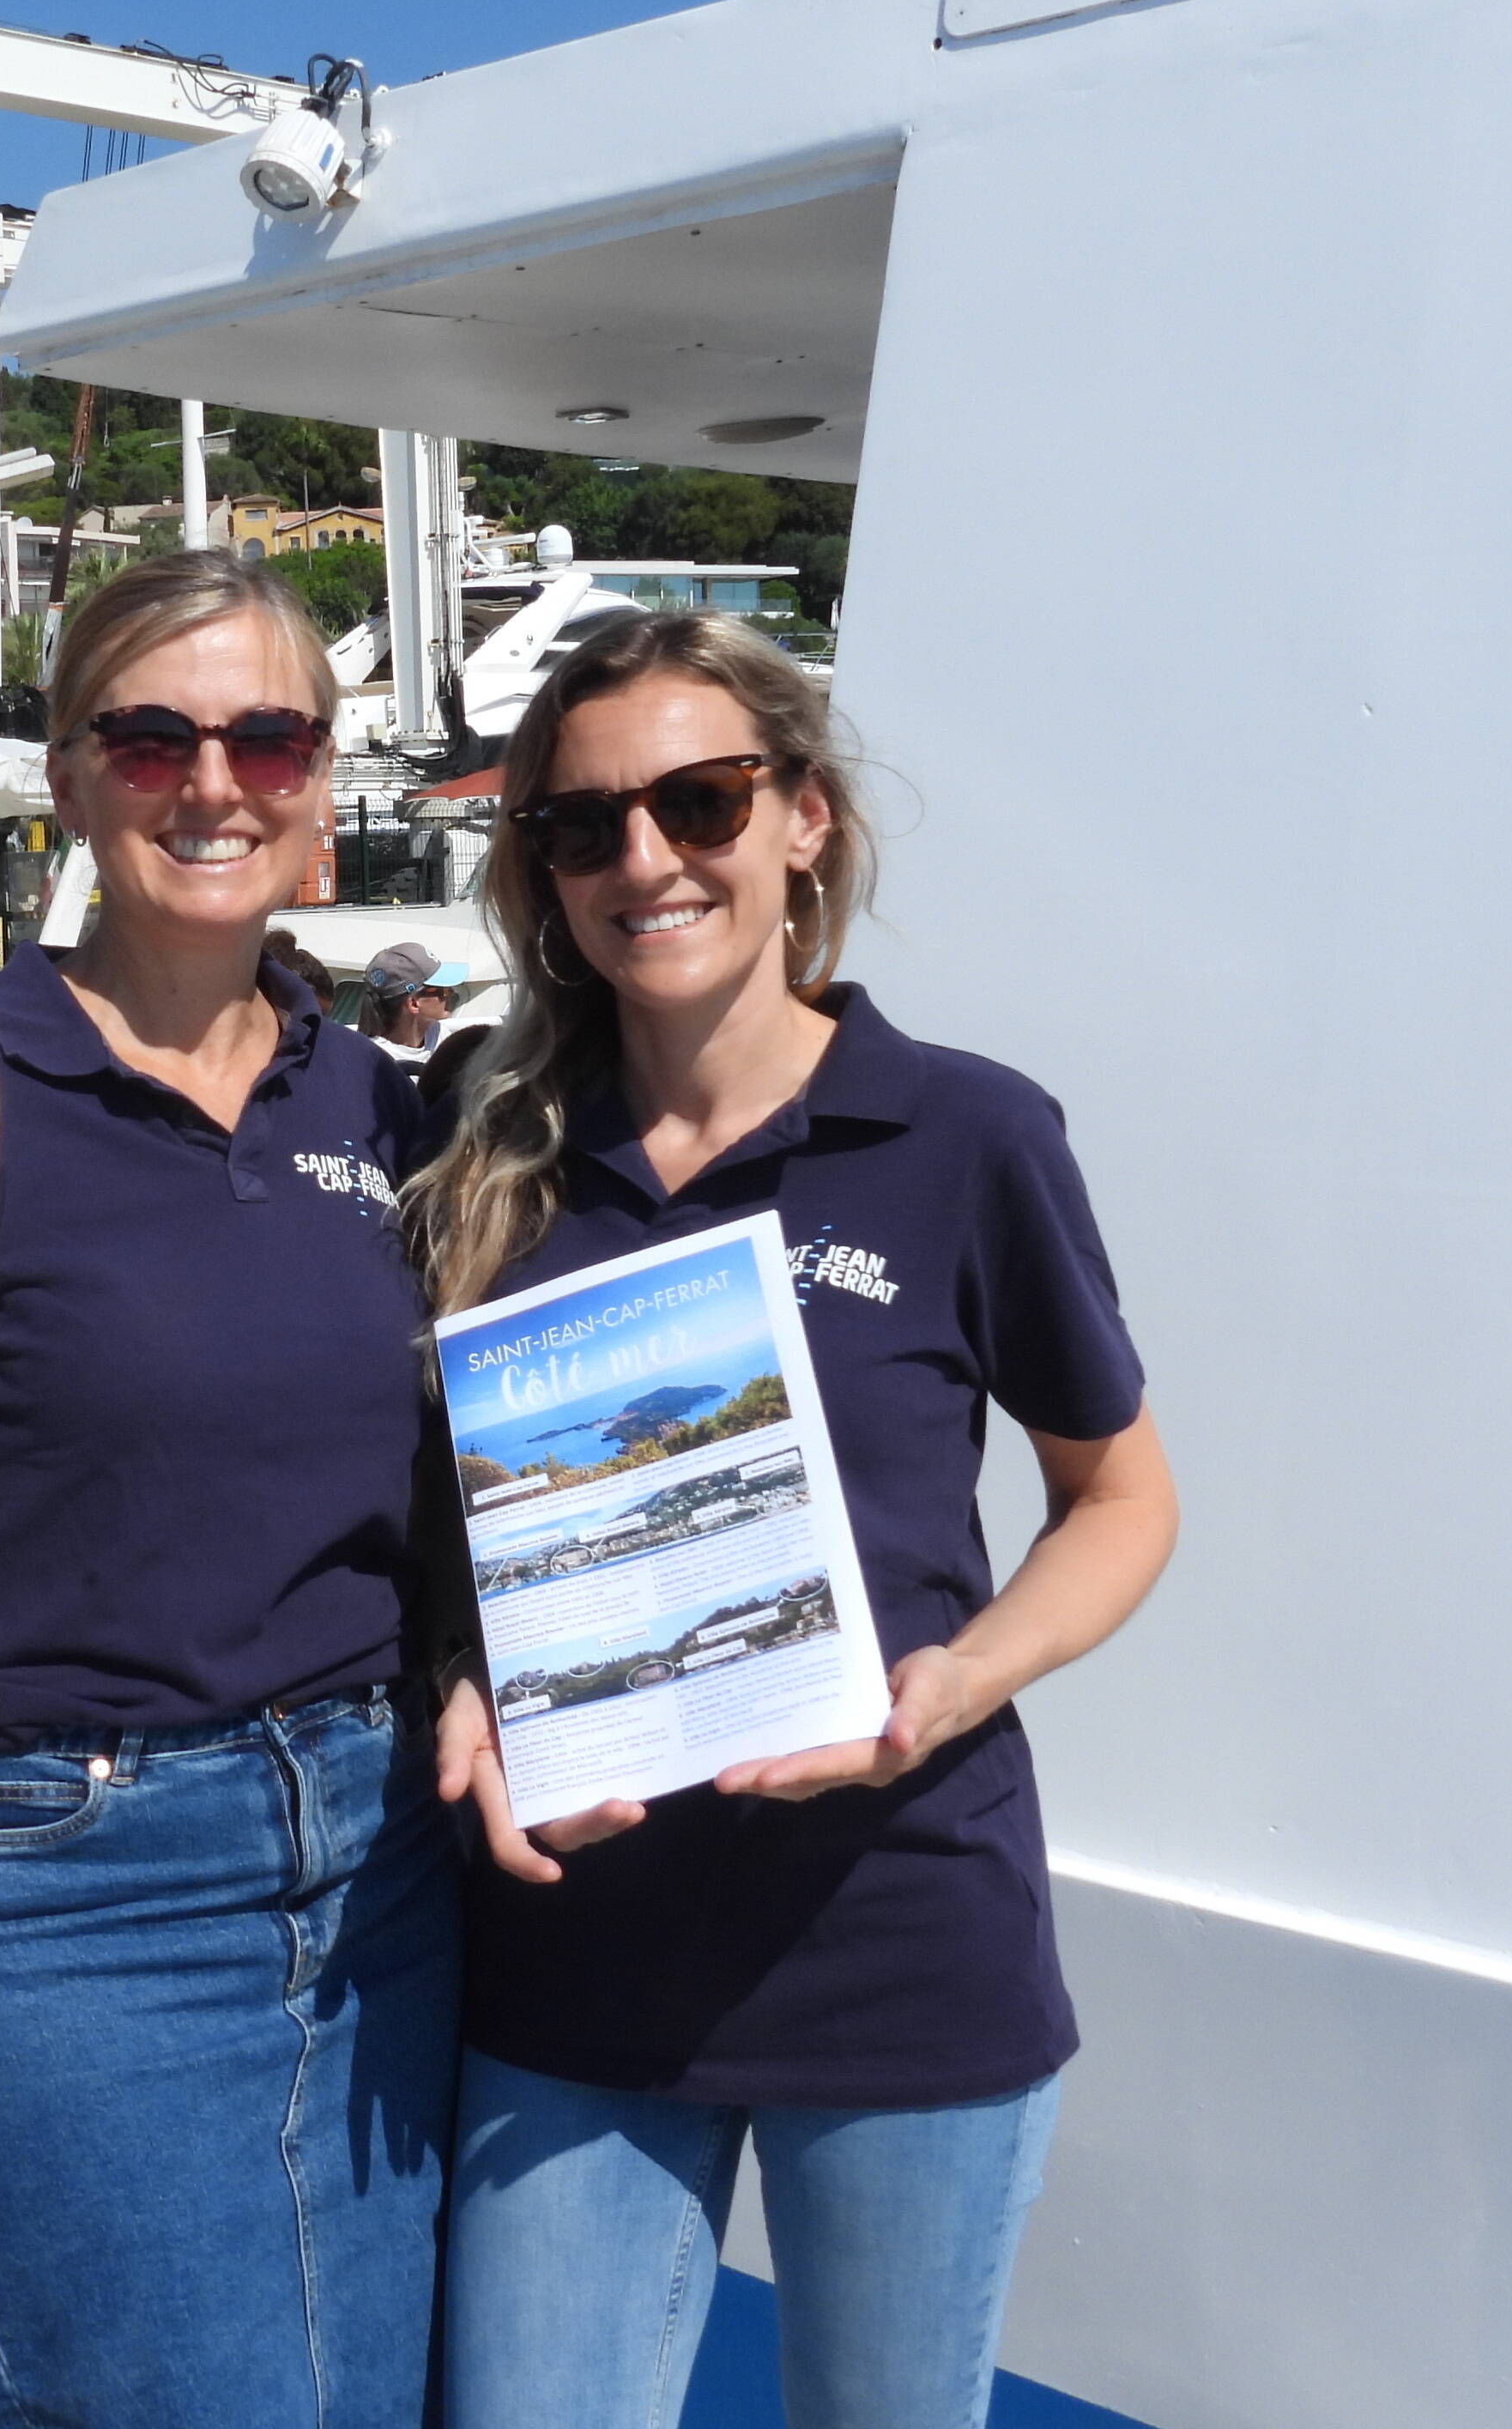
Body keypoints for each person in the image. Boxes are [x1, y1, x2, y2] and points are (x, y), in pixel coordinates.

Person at [0, 551, 458, 2429]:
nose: (215, 782)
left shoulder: (388, 1108)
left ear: (321, 780)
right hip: (68, 1895)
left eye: (267, 736)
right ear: (69, 780)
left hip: (390, 1886)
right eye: (153, 736)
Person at [408, 609, 1181, 2429]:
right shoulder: (482, 1132)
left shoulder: (967, 1135)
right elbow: (442, 1519)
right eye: (582, 826)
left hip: (896, 1938)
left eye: (701, 800)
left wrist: (956, 1684)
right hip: (570, 1963)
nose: (646, 860)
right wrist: (459, 1669)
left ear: (804, 819)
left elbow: (1120, 1499)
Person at [360, 939, 459, 1061]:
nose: (450, 993)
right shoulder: (374, 1059)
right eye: (443, 989)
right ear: (413, 1004)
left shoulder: (438, 1034)